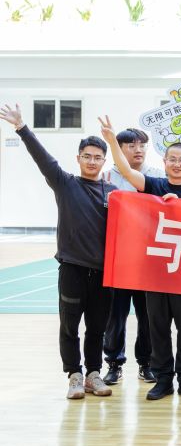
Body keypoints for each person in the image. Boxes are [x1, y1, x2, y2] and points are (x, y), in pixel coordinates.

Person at [1, 104, 116, 399]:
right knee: (69, 327)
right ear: (79, 158)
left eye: (97, 157)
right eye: (87, 156)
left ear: (104, 161)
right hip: (72, 269)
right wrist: (21, 128)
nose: (92, 161)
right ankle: (74, 375)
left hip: (104, 274)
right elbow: (43, 158)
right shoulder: (65, 184)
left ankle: (93, 374)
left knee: (97, 329)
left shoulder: (113, 194)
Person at [98, 116, 181, 401]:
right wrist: (112, 141)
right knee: (157, 328)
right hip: (154, 273)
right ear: (165, 161)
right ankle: (163, 380)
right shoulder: (154, 185)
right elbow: (126, 170)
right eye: (172, 159)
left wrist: (180, 210)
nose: (177, 164)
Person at [100, 127, 162, 387]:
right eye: (132, 145)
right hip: (118, 260)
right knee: (115, 316)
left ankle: (146, 364)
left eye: (142, 145)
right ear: (119, 148)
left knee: (148, 316)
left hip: (148, 261)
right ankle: (114, 364)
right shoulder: (105, 177)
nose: (138, 150)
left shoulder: (157, 175)